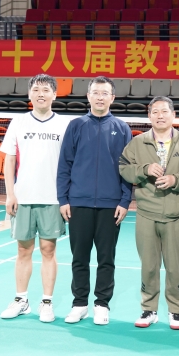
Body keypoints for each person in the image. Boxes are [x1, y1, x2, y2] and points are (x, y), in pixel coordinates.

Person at [58, 76, 132, 326]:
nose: (100, 97)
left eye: (105, 93)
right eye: (96, 92)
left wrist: (125, 201)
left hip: (111, 206)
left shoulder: (122, 128)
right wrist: (63, 198)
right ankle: (79, 304)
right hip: (78, 203)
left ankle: (102, 304)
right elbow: (65, 164)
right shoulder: (76, 126)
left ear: (113, 97)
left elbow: (127, 168)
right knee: (79, 258)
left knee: (106, 259)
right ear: (88, 96)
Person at [119, 96, 179, 330]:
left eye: (164, 111)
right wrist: (144, 169)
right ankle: (148, 309)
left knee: (175, 267)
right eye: (155, 112)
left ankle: (176, 311)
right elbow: (123, 168)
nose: (160, 116)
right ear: (149, 116)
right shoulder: (137, 142)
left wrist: (175, 180)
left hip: (175, 215)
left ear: (173, 115)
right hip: (146, 214)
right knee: (148, 266)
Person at [0, 74, 70, 323]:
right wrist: (10, 194)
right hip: (23, 197)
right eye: (36, 89)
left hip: (53, 198)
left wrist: (66, 198)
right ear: (29, 94)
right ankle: (21, 300)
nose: (41, 94)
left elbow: (70, 163)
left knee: (49, 250)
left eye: (46, 89)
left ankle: (47, 302)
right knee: (23, 249)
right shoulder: (18, 122)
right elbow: (9, 160)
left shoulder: (65, 124)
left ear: (55, 95)